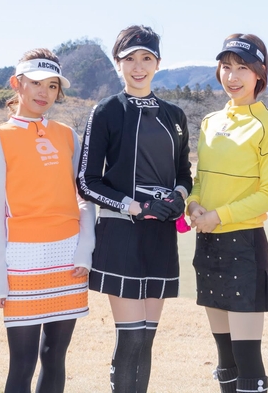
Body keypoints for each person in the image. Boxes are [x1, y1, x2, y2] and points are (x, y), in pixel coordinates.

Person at [76, 25, 192, 393]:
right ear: (118, 63)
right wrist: (133, 206)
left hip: (161, 235)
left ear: (158, 63)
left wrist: (179, 196)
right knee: (131, 338)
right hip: (121, 233)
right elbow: (87, 181)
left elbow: (184, 173)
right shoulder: (106, 111)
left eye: (146, 58)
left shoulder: (175, 115)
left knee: (147, 339)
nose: (138, 67)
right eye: (130, 59)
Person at [0, 48, 95, 393]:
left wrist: (85, 248)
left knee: (55, 357)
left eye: (52, 85)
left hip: (68, 258)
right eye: (35, 83)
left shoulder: (68, 135)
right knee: (22, 363)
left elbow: (84, 197)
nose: (44, 92)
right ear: (17, 84)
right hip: (22, 260)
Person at [187, 33, 268, 393]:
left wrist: (218, 216)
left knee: (247, 359)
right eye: (226, 67)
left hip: (244, 245)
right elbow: (200, 179)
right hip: (208, 245)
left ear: (259, 74)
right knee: (224, 358)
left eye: (242, 68)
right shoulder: (210, 121)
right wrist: (193, 204)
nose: (232, 76)